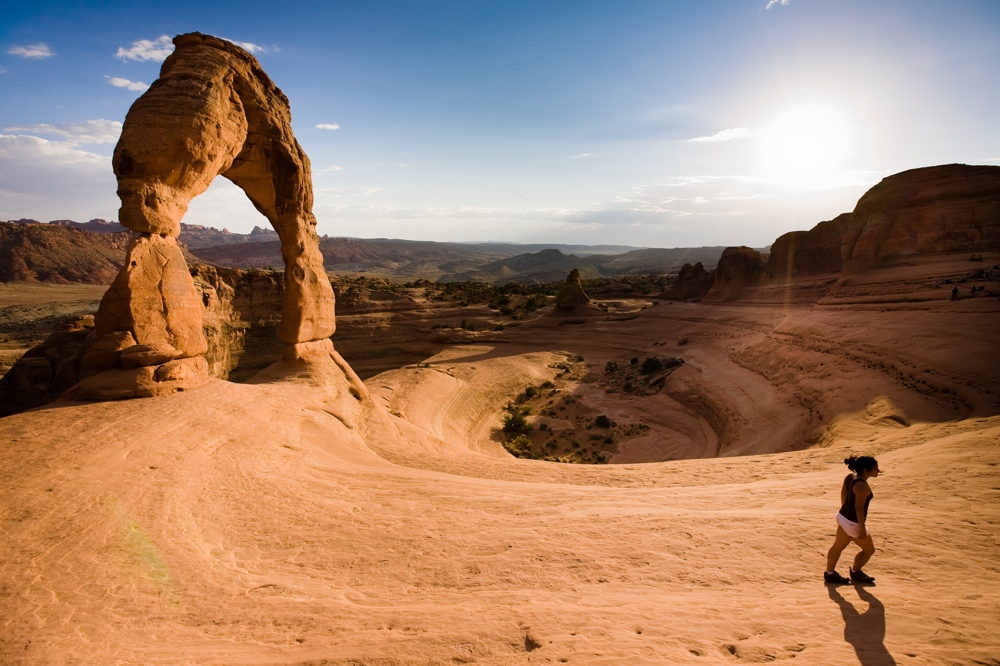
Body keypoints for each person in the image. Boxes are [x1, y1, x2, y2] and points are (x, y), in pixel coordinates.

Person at [825, 455, 880, 585]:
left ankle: (829, 574)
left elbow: (843, 493)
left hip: (843, 517)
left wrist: (845, 511)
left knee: (838, 546)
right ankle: (856, 572)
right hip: (853, 523)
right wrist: (861, 529)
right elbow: (859, 509)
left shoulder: (850, 477)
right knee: (869, 550)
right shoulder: (861, 486)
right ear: (866, 470)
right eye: (875, 468)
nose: (878, 471)